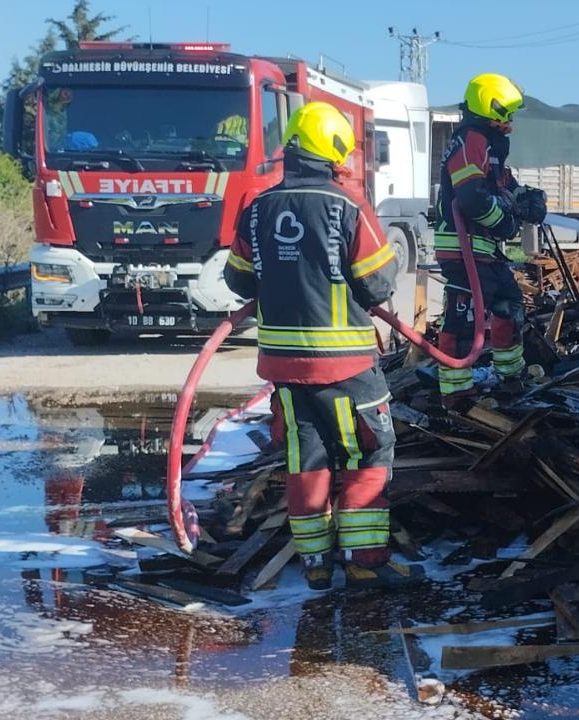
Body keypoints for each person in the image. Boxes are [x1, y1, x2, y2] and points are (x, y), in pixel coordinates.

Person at [223, 101, 416, 591]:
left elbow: (238, 281)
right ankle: (365, 561)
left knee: (305, 457)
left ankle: (316, 564)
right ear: (332, 151)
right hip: (344, 366)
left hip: (284, 369)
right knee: (367, 451)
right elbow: (377, 285)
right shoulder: (346, 207)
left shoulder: (257, 208)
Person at [433, 73, 548, 406]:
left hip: (484, 252)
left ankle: (510, 376)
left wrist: (528, 199)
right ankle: (457, 393)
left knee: (509, 306)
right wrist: (506, 224)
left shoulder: (490, 146)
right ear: (492, 105)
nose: (510, 119)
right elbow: (471, 197)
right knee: (463, 320)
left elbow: (503, 185)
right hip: (463, 250)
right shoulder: (471, 139)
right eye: (507, 111)